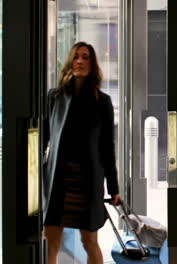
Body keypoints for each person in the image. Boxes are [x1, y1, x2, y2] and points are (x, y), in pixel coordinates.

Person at [43, 42, 120, 264]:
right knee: (51, 240)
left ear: (91, 63)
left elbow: (107, 148)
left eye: (85, 57)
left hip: (87, 181)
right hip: (59, 179)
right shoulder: (55, 97)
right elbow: (44, 138)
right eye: (76, 57)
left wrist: (113, 187)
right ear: (70, 61)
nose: (80, 61)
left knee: (89, 241)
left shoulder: (102, 101)